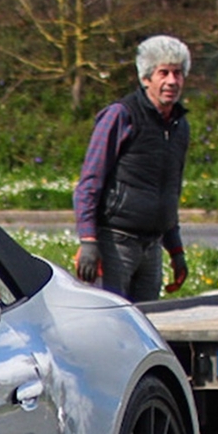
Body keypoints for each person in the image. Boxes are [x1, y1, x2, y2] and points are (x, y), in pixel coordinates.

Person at [73, 36, 193, 302]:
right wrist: (89, 241)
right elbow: (89, 183)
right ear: (146, 78)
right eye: (163, 73)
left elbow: (171, 190)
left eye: (178, 73)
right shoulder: (120, 115)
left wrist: (175, 250)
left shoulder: (179, 126)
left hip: (152, 247)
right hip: (115, 243)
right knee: (112, 324)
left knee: (146, 327)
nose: (172, 81)